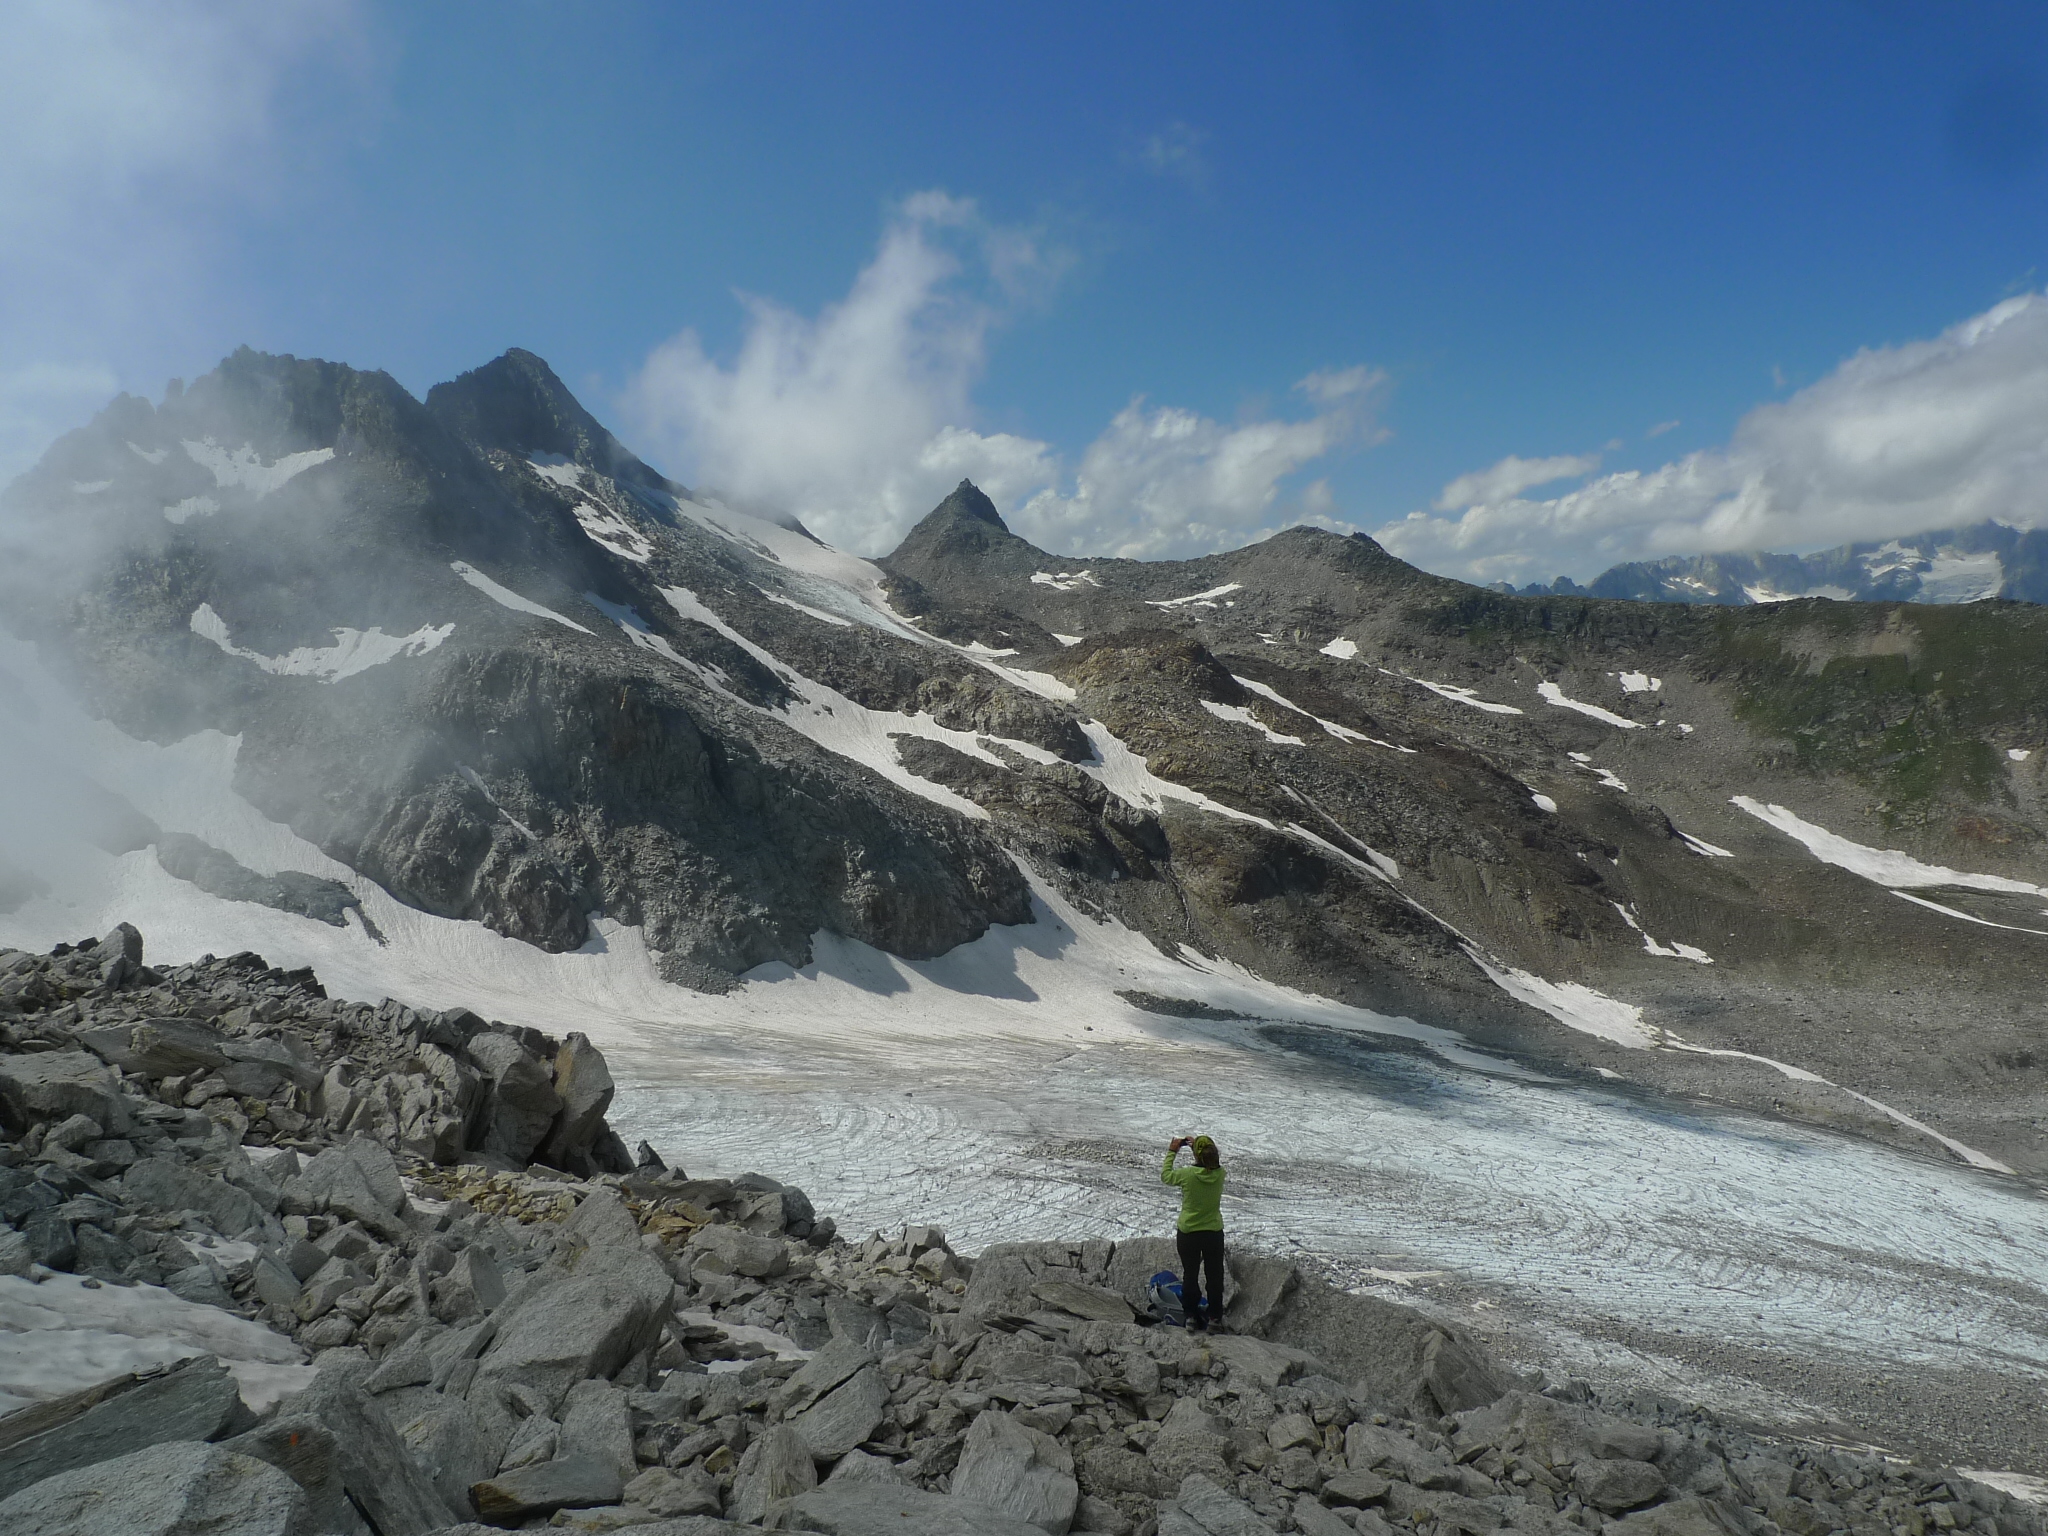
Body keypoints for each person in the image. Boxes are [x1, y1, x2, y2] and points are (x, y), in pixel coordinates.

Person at [1162, 1133, 1226, 1330]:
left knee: (1190, 1274)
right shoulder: (1220, 1174)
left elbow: (1166, 1176)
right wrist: (1196, 1147)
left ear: (1197, 1156)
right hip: (1213, 1233)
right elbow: (1209, 1162)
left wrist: (1173, 1151)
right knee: (1215, 1277)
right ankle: (1215, 1318)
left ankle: (1190, 1316)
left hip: (1188, 1232)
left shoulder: (1186, 1175)